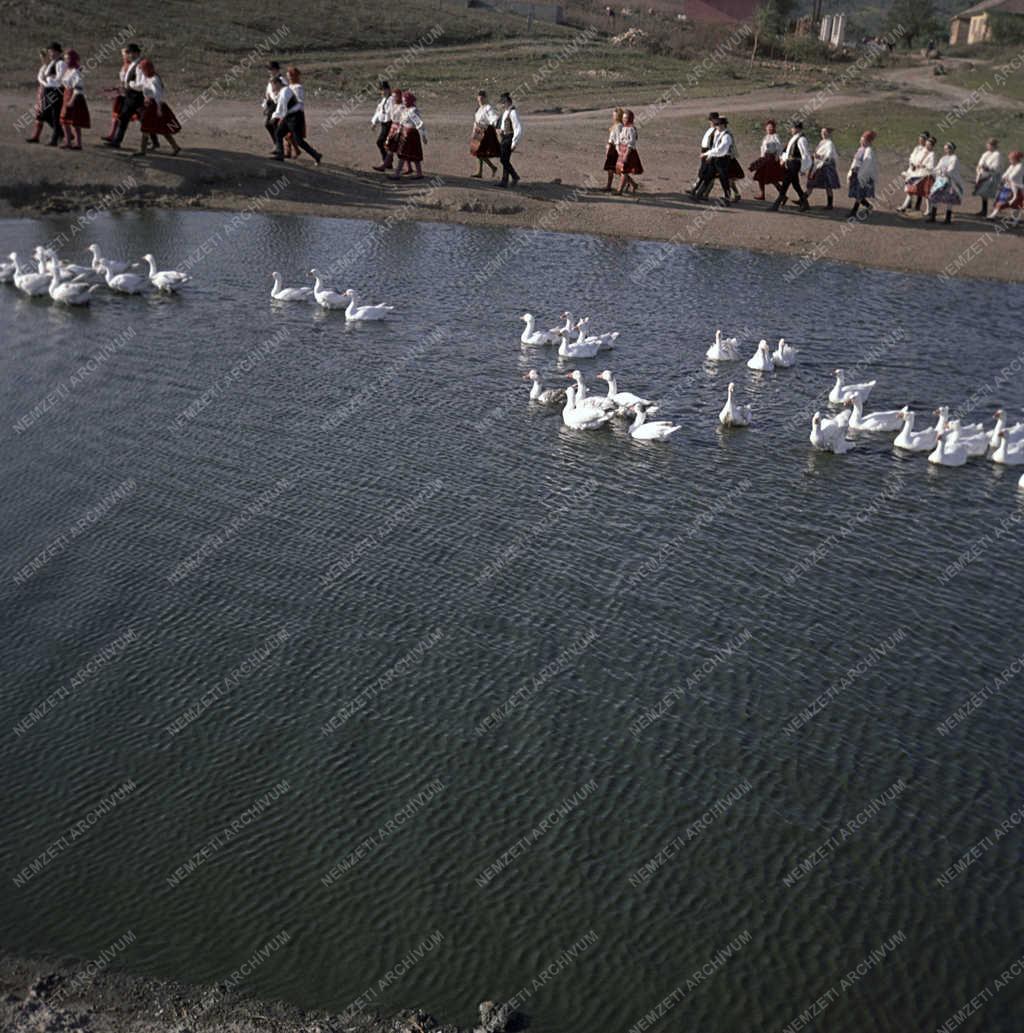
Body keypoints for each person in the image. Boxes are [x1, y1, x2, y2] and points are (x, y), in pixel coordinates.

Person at [270, 73, 322, 164]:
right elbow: (278, 103)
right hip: (289, 116)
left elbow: (282, 106)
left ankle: (316, 155)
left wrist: (275, 117)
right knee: (279, 133)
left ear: (277, 83)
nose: (272, 88)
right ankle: (280, 155)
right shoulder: (283, 91)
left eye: (273, 86)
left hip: (295, 117)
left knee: (299, 141)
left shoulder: (285, 91)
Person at [136, 58, 181, 156]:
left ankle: (143, 150)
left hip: (154, 106)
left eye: (143, 69)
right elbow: (142, 87)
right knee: (159, 127)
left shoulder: (154, 79)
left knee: (148, 127)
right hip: (150, 105)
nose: (142, 71)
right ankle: (175, 147)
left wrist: (158, 108)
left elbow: (158, 95)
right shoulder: (148, 77)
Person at [106, 43, 146, 149]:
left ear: (137, 53)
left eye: (132, 53)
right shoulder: (133, 64)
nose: (130, 55)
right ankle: (154, 141)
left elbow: (141, 84)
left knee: (125, 118)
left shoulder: (140, 65)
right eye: (129, 53)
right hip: (130, 95)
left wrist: (130, 85)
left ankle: (117, 141)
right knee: (141, 119)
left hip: (136, 96)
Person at [26, 43, 65, 145]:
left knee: (55, 115)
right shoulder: (52, 62)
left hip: (56, 90)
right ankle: (60, 133)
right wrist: (47, 79)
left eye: (51, 51)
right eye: (49, 52)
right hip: (48, 89)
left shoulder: (61, 63)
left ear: (57, 51)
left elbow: (61, 78)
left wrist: (51, 77)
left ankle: (54, 139)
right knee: (45, 114)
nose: (50, 54)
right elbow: (44, 75)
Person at [771, 120, 811, 211]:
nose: (791, 129)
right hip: (790, 163)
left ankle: (776, 205)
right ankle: (805, 204)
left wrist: (803, 169)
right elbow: (788, 151)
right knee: (795, 185)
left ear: (798, 129)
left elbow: (805, 154)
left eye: (793, 128)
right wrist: (783, 159)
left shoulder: (801, 139)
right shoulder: (794, 138)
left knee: (785, 183)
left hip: (795, 164)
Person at [58, 49, 90, 149]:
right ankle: (68, 142)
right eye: (65, 59)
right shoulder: (68, 70)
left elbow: (78, 87)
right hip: (67, 94)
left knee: (75, 121)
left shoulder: (76, 71)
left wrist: (72, 100)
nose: (66, 61)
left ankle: (78, 144)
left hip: (75, 97)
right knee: (64, 120)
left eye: (68, 59)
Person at [898, 132, 935, 213]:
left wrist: (922, 166)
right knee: (911, 189)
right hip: (915, 171)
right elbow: (913, 157)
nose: (921, 141)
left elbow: (930, 165)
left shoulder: (931, 154)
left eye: (923, 140)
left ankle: (925, 209)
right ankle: (906, 206)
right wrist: (913, 164)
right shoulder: (918, 148)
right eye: (920, 139)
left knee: (924, 193)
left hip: (923, 175)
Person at [928, 141, 964, 223]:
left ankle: (948, 218)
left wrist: (945, 172)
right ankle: (933, 217)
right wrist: (934, 170)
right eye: (945, 149)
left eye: (947, 149)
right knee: (934, 195)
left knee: (949, 199)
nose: (945, 150)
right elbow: (938, 167)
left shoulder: (954, 158)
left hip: (950, 181)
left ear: (951, 149)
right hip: (941, 180)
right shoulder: (943, 158)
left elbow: (951, 169)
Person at [392, 91, 425, 179]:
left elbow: (419, 123)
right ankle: (419, 173)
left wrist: (423, 135)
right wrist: (399, 130)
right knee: (410, 153)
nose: (403, 102)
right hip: (406, 133)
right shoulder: (405, 109)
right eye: (403, 100)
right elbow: (401, 121)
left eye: (405, 101)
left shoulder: (412, 111)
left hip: (411, 134)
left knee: (404, 153)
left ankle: (397, 174)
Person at [749, 118, 783, 200]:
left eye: (771, 127)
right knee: (760, 176)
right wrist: (761, 157)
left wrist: (777, 158)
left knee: (772, 178)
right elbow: (763, 148)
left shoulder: (775, 137)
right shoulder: (766, 137)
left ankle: (783, 195)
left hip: (771, 159)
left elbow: (779, 148)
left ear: (774, 128)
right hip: (765, 158)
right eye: (768, 127)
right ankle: (762, 194)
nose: (769, 129)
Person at [806, 127, 839, 209]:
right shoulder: (822, 142)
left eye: (825, 132)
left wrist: (819, 156)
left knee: (827, 185)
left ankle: (830, 204)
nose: (823, 134)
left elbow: (829, 155)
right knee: (812, 183)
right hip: (819, 164)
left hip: (825, 166)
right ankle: (803, 199)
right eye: (822, 132)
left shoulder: (829, 143)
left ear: (828, 133)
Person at [847, 130, 878, 217]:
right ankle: (868, 206)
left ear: (867, 141)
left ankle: (854, 211)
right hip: (856, 174)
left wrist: (861, 174)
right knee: (857, 194)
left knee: (858, 194)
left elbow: (867, 164)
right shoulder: (860, 149)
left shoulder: (869, 151)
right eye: (861, 140)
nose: (861, 141)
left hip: (862, 175)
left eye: (863, 140)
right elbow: (855, 161)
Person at [704, 116, 734, 203]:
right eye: (716, 124)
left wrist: (707, 154)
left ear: (724, 125)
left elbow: (721, 150)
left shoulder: (726, 136)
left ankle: (728, 198)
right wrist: (710, 155)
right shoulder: (718, 133)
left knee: (724, 178)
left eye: (719, 124)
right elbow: (714, 146)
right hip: (716, 158)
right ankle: (700, 194)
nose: (717, 126)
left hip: (723, 159)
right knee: (709, 175)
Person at [470, 90, 500, 178]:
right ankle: (480, 171)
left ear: (485, 98)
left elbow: (493, 117)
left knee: (479, 151)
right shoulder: (478, 109)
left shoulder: (488, 108)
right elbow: (475, 122)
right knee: (477, 152)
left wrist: (496, 126)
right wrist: (473, 132)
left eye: (482, 98)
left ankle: (490, 168)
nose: (481, 100)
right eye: (479, 98)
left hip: (485, 131)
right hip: (478, 130)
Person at [690, 111, 719, 199]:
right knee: (703, 172)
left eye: (713, 120)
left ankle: (704, 193)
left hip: (710, 153)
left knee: (710, 175)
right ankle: (697, 189)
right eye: (710, 120)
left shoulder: (716, 131)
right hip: (705, 151)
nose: (711, 122)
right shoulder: (711, 129)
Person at [988, 150, 1023, 220]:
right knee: (1000, 201)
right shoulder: (1012, 166)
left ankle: (1014, 219)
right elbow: (1005, 175)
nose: (1010, 160)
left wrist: (1007, 178)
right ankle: (992, 215)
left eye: (1011, 159)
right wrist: (1004, 178)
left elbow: (1012, 176)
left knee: (1016, 205)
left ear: (1015, 159)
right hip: (1007, 187)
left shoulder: (1020, 166)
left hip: (1015, 188)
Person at [973, 138, 1003, 217]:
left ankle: (995, 210)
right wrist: (979, 169)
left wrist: (987, 167)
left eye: (989, 145)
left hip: (992, 176)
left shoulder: (997, 154)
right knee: (983, 194)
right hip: (983, 175)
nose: (987, 146)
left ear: (993, 146)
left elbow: (995, 167)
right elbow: (980, 163)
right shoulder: (985, 154)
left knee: (990, 193)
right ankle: (984, 210)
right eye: (987, 144)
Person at [497, 92, 521, 188]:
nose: (502, 105)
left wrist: (514, 142)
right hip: (505, 137)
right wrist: (501, 131)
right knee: (505, 159)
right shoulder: (507, 112)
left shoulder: (513, 112)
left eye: (503, 103)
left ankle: (515, 176)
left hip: (509, 138)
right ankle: (504, 180)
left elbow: (518, 128)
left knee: (503, 159)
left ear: (507, 102)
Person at [615, 109, 642, 195]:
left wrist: (626, 154)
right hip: (622, 150)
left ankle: (619, 191)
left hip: (628, 152)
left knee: (624, 171)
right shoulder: (623, 128)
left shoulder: (631, 129)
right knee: (620, 170)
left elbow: (631, 142)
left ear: (630, 119)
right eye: (623, 118)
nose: (623, 120)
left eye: (625, 118)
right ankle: (634, 184)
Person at [371, 80, 394, 171]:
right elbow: (378, 112)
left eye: (385, 89)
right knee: (385, 144)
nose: (383, 92)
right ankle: (387, 163)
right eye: (381, 90)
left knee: (381, 142)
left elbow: (393, 112)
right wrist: (374, 122)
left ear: (388, 90)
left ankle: (386, 162)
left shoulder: (391, 100)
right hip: (384, 124)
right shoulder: (383, 100)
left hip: (390, 124)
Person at [263, 62, 286, 144]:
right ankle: (277, 144)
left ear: (276, 69)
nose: (269, 71)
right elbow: (268, 93)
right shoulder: (271, 79)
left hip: (277, 105)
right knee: (269, 125)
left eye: (270, 69)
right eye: (268, 69)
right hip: (271, 105)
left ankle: (278, 145)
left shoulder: (281, 80)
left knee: (272, 125)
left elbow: (284, 91)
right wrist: (265, 104)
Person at [603, 107, 624, 191]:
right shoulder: (616, 125)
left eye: (614, 115)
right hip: (613, 148)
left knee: (615, 169)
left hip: (615, 149)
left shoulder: (619, 126)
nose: (613, 117)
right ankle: (608, 186)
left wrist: (617, 150)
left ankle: (608, 187)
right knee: (612, 169)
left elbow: (618, 139)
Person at [383, 87, 404, 167]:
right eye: (393, 96)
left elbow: (403, 118)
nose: (394, 98)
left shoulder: (402, 106)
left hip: (399, 128)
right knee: (391, 147)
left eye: (396, 96)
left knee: (400, 149)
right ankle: (385, 164)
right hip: (393, 127)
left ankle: (385, 165)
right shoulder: (394, 105)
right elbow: (390, 115)